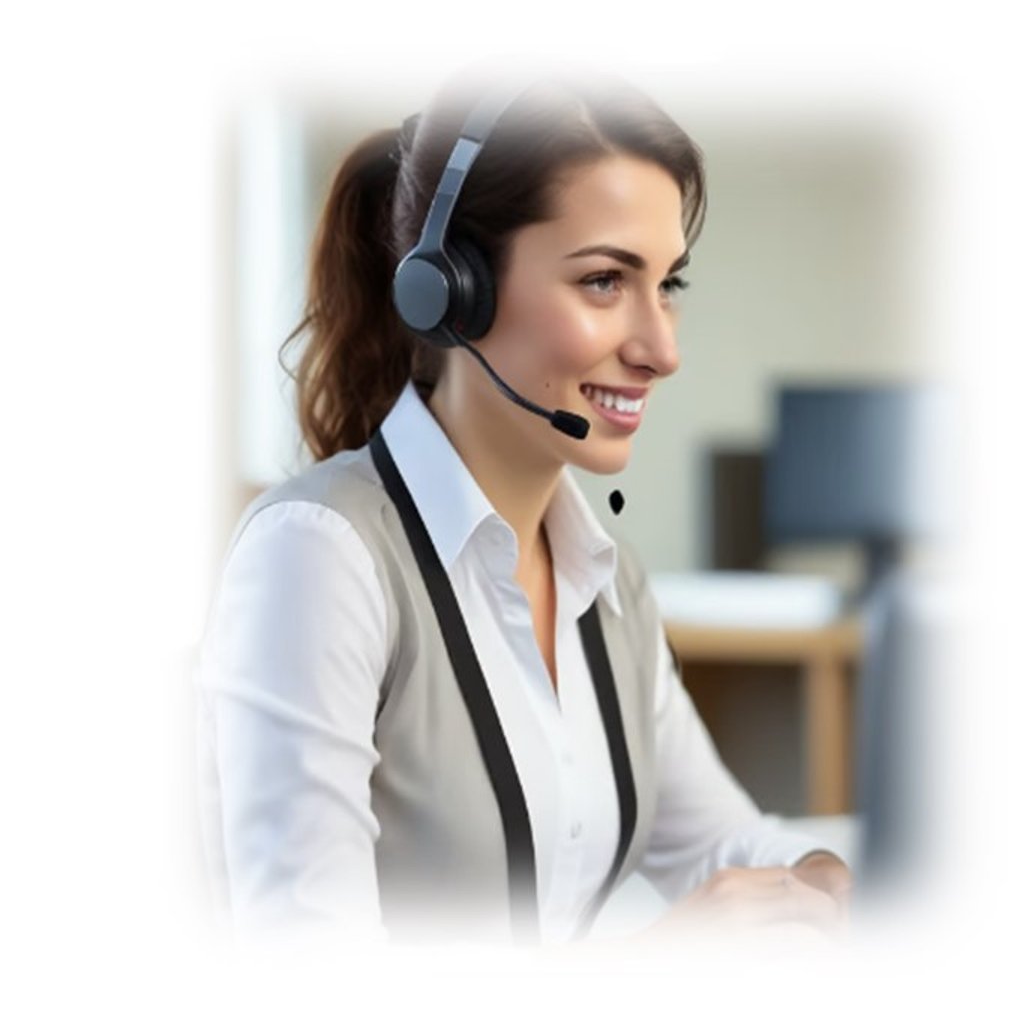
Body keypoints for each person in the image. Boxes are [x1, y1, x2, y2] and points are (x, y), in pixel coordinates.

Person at [193, 64, 853, 946]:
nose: (662, 348)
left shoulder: (608, 589)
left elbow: (725, 844)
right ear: (451, 290)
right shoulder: (319, 555)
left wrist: (823, 883)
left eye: (669, 286)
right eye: (605, 282)